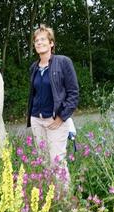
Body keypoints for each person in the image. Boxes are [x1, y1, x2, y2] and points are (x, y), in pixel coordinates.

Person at [26, 25, 79, 189]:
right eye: (36, 40)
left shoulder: (63, 62)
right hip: (37, 120)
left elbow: (73, 93)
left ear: (51, 43)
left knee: (57, 162)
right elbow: (34, 94)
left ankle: (66, 205)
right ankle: (52, 203)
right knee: (44, 163)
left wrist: (62, 116)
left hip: (55, 121)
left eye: (43, 39)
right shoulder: (34, 68)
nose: (39, 42)